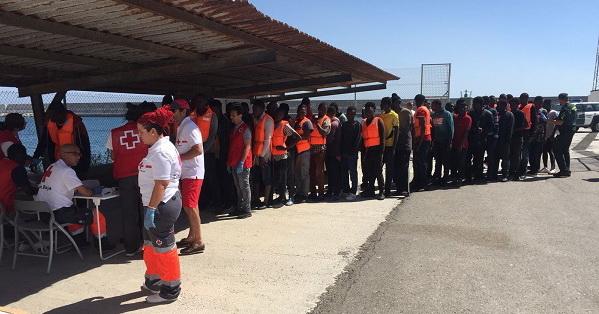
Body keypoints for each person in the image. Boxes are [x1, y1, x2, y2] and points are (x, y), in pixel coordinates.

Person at [136, 106, 183, 303]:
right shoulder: (157, 148)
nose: (139, 136)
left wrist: (152, 210)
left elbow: (161, 184)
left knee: (164, 247)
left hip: (161, 205)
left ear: (153, 132)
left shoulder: (161, 151)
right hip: (154, 204)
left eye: (141, 132)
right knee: (151, 245)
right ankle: (154, 280)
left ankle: (170, 289)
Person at [36, 144, 105, 246]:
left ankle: (79, 242)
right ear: (62, 155)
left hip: (43, 214)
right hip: (58, 215)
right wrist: (94, 192)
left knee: (75, 211)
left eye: (79, 154)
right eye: (75, 154)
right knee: (95, 214)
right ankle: (103, 244)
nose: (79, 157)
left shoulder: (52, 166)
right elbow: (86, 193)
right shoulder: (67, 171)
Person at [106, 103, 151, 256]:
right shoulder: (143, 131)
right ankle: (148, 246)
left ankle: (131, 247)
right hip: (144, 175)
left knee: (129, 213)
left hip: (124, 177)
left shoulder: (115, 133)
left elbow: (112, 156)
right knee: (146, 210)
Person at [171, 99, 205, 255]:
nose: (172, 114)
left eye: (174, 110)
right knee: (192, 205)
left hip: (193, 173)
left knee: (189, 206)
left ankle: (198, 241)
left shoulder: (190, 127)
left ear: (183, 111)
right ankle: (192, 236)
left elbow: (198, 149)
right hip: (188, 173)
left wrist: (179, 158)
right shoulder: (183, 126)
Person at [34, 100, 91, 175]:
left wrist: (84, 164)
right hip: (58, 160)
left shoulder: (76, 124)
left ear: (63, 113)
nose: (53, 118)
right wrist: (36, 157)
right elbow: (43, 142)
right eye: (51, 115)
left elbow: (85, 145)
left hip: (76, 162)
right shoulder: (50, 124)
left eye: (55, 115)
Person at [191, 94, 218, 209]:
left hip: (208, 152)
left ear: (205, 103)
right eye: (197, 102)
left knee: (211, 178)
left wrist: (203, 150)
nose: (198, 104)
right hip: (195, 152)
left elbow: (212, 135)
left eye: (200, 102)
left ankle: (215, 201)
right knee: (199, 180)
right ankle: (203, 202)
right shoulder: (192, 115)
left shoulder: (212, 116)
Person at [227, 104, 253, 218]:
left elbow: (247, 146)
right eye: (230, 115)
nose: (231, 117)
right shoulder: (234, 129)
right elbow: (232, 146)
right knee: (238, 187)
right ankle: (240, 207)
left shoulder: (245, 129)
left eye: (233, 115)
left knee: (244, 186)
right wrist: (229, 162)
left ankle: (247, 210)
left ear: (240, 115)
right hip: (234, 162)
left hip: (242, 163)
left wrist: (242, 162)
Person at [271, 108, 300, 206]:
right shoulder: (273, 124)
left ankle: (289, 197)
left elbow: (298, 137)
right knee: (279, 178)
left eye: (279, 114)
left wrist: (286, 147)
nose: (277, 115)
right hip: (274, 155)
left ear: (282, 115)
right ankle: (281, 196)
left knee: (286, 177)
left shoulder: (284, 125)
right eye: (276, 113)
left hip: (283, 155)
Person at [250, 100, 274, 208]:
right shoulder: (255, 119)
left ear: (262, 109)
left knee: (266, 178)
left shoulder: (268, 120)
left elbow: (267, 140)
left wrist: (262, 156)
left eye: (255, 108)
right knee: (255, 178)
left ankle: (266, 201)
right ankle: (256, 199)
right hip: (256, 153)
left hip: (265, 155)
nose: (253, 110)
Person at [0, 144, 36, 214]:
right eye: (24, 154)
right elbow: (28, 191)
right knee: (43, 199)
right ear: (18, 155)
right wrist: (42, 189)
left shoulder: (2, 162)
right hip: (4, 205)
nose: (25, 156)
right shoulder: (17, 168)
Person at [361, 102, 385, 200]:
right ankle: (370, 190)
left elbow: (383, 138)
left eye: (370, 111)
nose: (368, 113)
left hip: (377, 150)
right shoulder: (364, 122)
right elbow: (363, 138)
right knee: (369, 172)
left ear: (374, 111)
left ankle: (381, 191)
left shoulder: (378, 120)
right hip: (368, 150)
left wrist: (381, 153)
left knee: (378, 171)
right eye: (366, 111)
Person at [465, 96, 494, 181]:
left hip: (481, 140)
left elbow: (491, 127)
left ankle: (478, 175)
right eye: (474, 103)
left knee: (479, 159)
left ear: (481, 104)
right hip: (470, 140)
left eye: (476, 104)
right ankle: (468, 176)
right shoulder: (470, 113)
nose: (474, 105)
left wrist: (483, 130)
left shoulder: (488, 114)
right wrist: (473, 129)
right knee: (468, 159)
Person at [549, 93, 576, 177]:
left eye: (559, 99)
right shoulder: (573, 106)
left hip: (565, 131)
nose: (559, 101)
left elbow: (560, 122)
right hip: (572, 130)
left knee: (557, 149)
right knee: (565, 150)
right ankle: (567, 170)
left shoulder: (565, 108)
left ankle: (563, 170)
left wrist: (550, 121)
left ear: (561, 99)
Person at [487, 99, 514, 182]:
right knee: (495, 159)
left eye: (503, 105)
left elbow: (510, 129)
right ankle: (493, 175)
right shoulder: (495, 114)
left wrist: (507, 140)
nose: (501, 107)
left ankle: (504, 175)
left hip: (505, 140)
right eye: (499, 105)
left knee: (505, 159)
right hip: (495, 140)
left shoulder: (509, 115)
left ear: (506, 106)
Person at [309, 102, 331, 201]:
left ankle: (321, 193)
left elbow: (325, 132)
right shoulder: (314, 119)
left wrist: (317, 123)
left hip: (320, 148)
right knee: (312, 172)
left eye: (325, 109)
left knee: (319, 172)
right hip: (311, 147)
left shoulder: (326, 119)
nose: (323, 111)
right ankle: (313, 192)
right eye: (321, 109)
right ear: (318, 109)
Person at [339, 106, 362, 201]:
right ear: (347, 114)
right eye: (349, 114)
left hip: (353, 154)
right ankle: (346, 190)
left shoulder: (357, 125)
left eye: (353, 114)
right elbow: (341, 139)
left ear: (355, 114)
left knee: (353, 172)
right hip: (344, 153)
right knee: (344, 173)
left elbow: (358, 139)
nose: (351, 116)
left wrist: (354, 151)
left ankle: (353, 191)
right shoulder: (344, 125)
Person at [411, 94, 432, 191]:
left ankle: (421, 183)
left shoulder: (420, 110)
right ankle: (419, 182)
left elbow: (423, 126)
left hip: (422, 139)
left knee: (420, 162)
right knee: (421, 162)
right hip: (424, 138)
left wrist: (418, 143)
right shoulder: (425, 109)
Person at [293, 104, 313, 203]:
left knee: (304, 174)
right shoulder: (296, 122)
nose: (303, 112)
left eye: (304, 111)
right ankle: (299, 193)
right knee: (297, 173)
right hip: (297, 151)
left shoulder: (307, 122)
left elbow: (307, 136)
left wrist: (297, 137)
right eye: (301, 111)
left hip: (305, 151)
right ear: (298, 111)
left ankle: (304, 194)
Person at [431, 99, 454, 185]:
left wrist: (450, 141)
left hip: (446, 141)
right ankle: (437, 177)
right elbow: (434, 128)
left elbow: (451, 129)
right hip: (437, 141)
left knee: (446, 160)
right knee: (438, 160)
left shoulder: (447, 114)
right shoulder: (434, 115)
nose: (432, 107)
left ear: (438, 105)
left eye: (433, 105)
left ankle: (446, 177)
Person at [379, 97, 399, 196]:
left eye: (383, 104)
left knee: (389, 170)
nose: (382, 106)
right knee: (379, 168)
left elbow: (396, 132)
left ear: (388, 105)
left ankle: (387, 190)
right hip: (382, 146)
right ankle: (381, 188)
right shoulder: (381, 116)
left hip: (390, 146)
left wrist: (394, 148)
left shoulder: (394, 115)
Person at [394, 95, 412, 197]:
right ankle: (399, 188)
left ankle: (405, 189)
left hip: (404, 143)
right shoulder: (392, 113)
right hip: (395, 144)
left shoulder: (406, 112)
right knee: (397, 168)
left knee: (404, 167)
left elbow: (408, 127)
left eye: (397, 102)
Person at [451, 99, 471, 184]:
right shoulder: (455, 117)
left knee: (461, 162)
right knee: (454, 161)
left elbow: (466, 132)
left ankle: (461, 177)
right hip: (454, 143)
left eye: (464, 107)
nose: (462, 109)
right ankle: (454, 177)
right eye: (460, 107)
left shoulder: (468, 118)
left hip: (463, 145)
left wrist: (461, 145)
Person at [325, 104, 342, 200]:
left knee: (333, 173)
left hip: (333, 152)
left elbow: (330, 139)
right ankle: (333, 190)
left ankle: (334, 191)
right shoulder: (335, 122)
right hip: (334, 152)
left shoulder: (334, 124)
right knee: (333, 172)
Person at [528, 96, 547, 174]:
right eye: (540, 102)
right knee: (531, 153)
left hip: (540, 137)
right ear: (535, 102)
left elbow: (545, 123)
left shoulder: (542, 112)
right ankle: (533, 168)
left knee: (537, 154)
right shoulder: (531, 111)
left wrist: (545, 135)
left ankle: (535, 169)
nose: (541, 104)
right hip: (532, 136)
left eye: (542, 102)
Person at [509, 97, 526, 180]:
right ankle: (511, 172)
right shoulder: (509, 113)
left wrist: (514, 130)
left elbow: (525, 126)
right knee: (510, 156)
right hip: (509, 138)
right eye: (511, 104)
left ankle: (517, 173)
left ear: (517, 104)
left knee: (516, 156)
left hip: (518, 137)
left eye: (514, 104)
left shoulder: (520, 113)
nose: (512, 106)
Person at [518, 93, 534, 177]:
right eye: (522, 98)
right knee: (518, 154)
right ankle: (518, 170)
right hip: (519, 134)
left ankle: (523, 171)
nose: (523, 100)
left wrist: (532, 135)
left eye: (525, 98)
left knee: (525, 154)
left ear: (527, 98)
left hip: (527, 133)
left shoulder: (531, 107)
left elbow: (534, 122)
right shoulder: (518, 107)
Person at [542, 99, 558, 173]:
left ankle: (553, 167)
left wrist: (553, 134)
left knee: (550, 151)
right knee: (544, 151)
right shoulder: (543, 112)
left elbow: (557, 124)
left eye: (546, 104)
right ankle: (545, 167)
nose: (544, 106)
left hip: (551, 135)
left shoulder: (553, 113)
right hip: (544, 135)